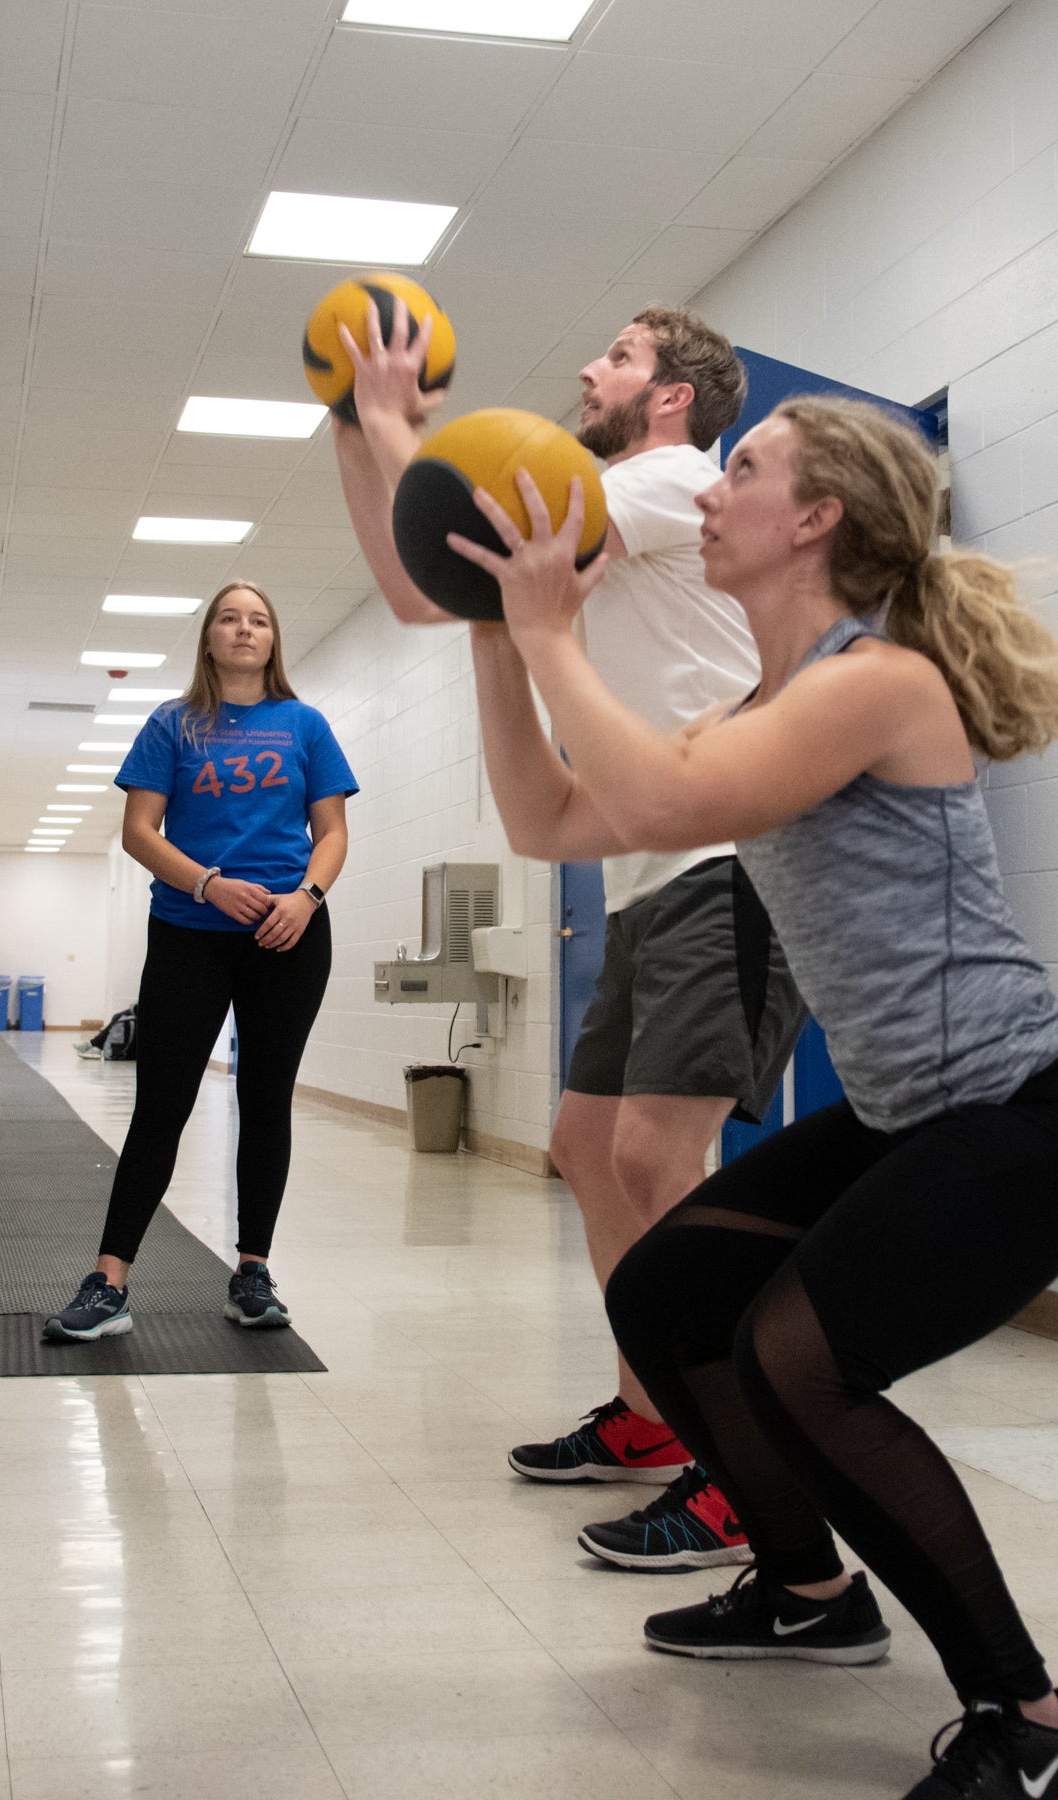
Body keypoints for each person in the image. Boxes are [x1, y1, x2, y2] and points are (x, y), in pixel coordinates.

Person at [449, 397, 1058, 1800]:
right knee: (666, 1300)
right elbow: (550, 823)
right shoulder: (756, 707)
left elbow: (644, 799)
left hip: (1031, 1117)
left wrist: (548, 635)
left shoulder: (874, 684)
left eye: (740, 471)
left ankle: (1034, 1718)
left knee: (795, 1361)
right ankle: (809, 1594)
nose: (708, 493)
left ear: (815, 519)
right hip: (911, 1116)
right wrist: (488, 635)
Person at [334, 300, 803, 1572]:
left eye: (619, 355)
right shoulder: (611, 522)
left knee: (658, 1157)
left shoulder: (667, 484)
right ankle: (655, 1420)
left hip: (733, 862)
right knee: (587, 1146)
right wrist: (355, 430)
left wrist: (393, 420)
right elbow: (432, 592)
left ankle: (736, 1469)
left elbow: (473, 520)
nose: (588, 367)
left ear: (671, 400)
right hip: (648, 871)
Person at [42, 583, 356, 1343]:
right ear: (209, 638)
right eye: (229, 618)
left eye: (259, 620)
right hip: (188, 927)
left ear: (273, 639)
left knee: (266, 1097)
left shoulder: (304, 726)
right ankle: (109, 1281)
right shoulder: (172, 724)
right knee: (162, 1104)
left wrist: (306, 898)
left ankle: (253, 1272)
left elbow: (333, 831)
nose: (244, 629)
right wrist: (208, 884)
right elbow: (139, 831)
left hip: (287, 932)